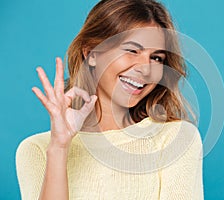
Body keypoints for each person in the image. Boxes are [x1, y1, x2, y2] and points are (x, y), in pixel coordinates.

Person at [16, 0, 204, 199]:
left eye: (157, 58)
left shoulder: (177, 138)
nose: (146, 69)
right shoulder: (36, 150)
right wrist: (59, 147)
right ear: (91, 53)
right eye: (132, 50)